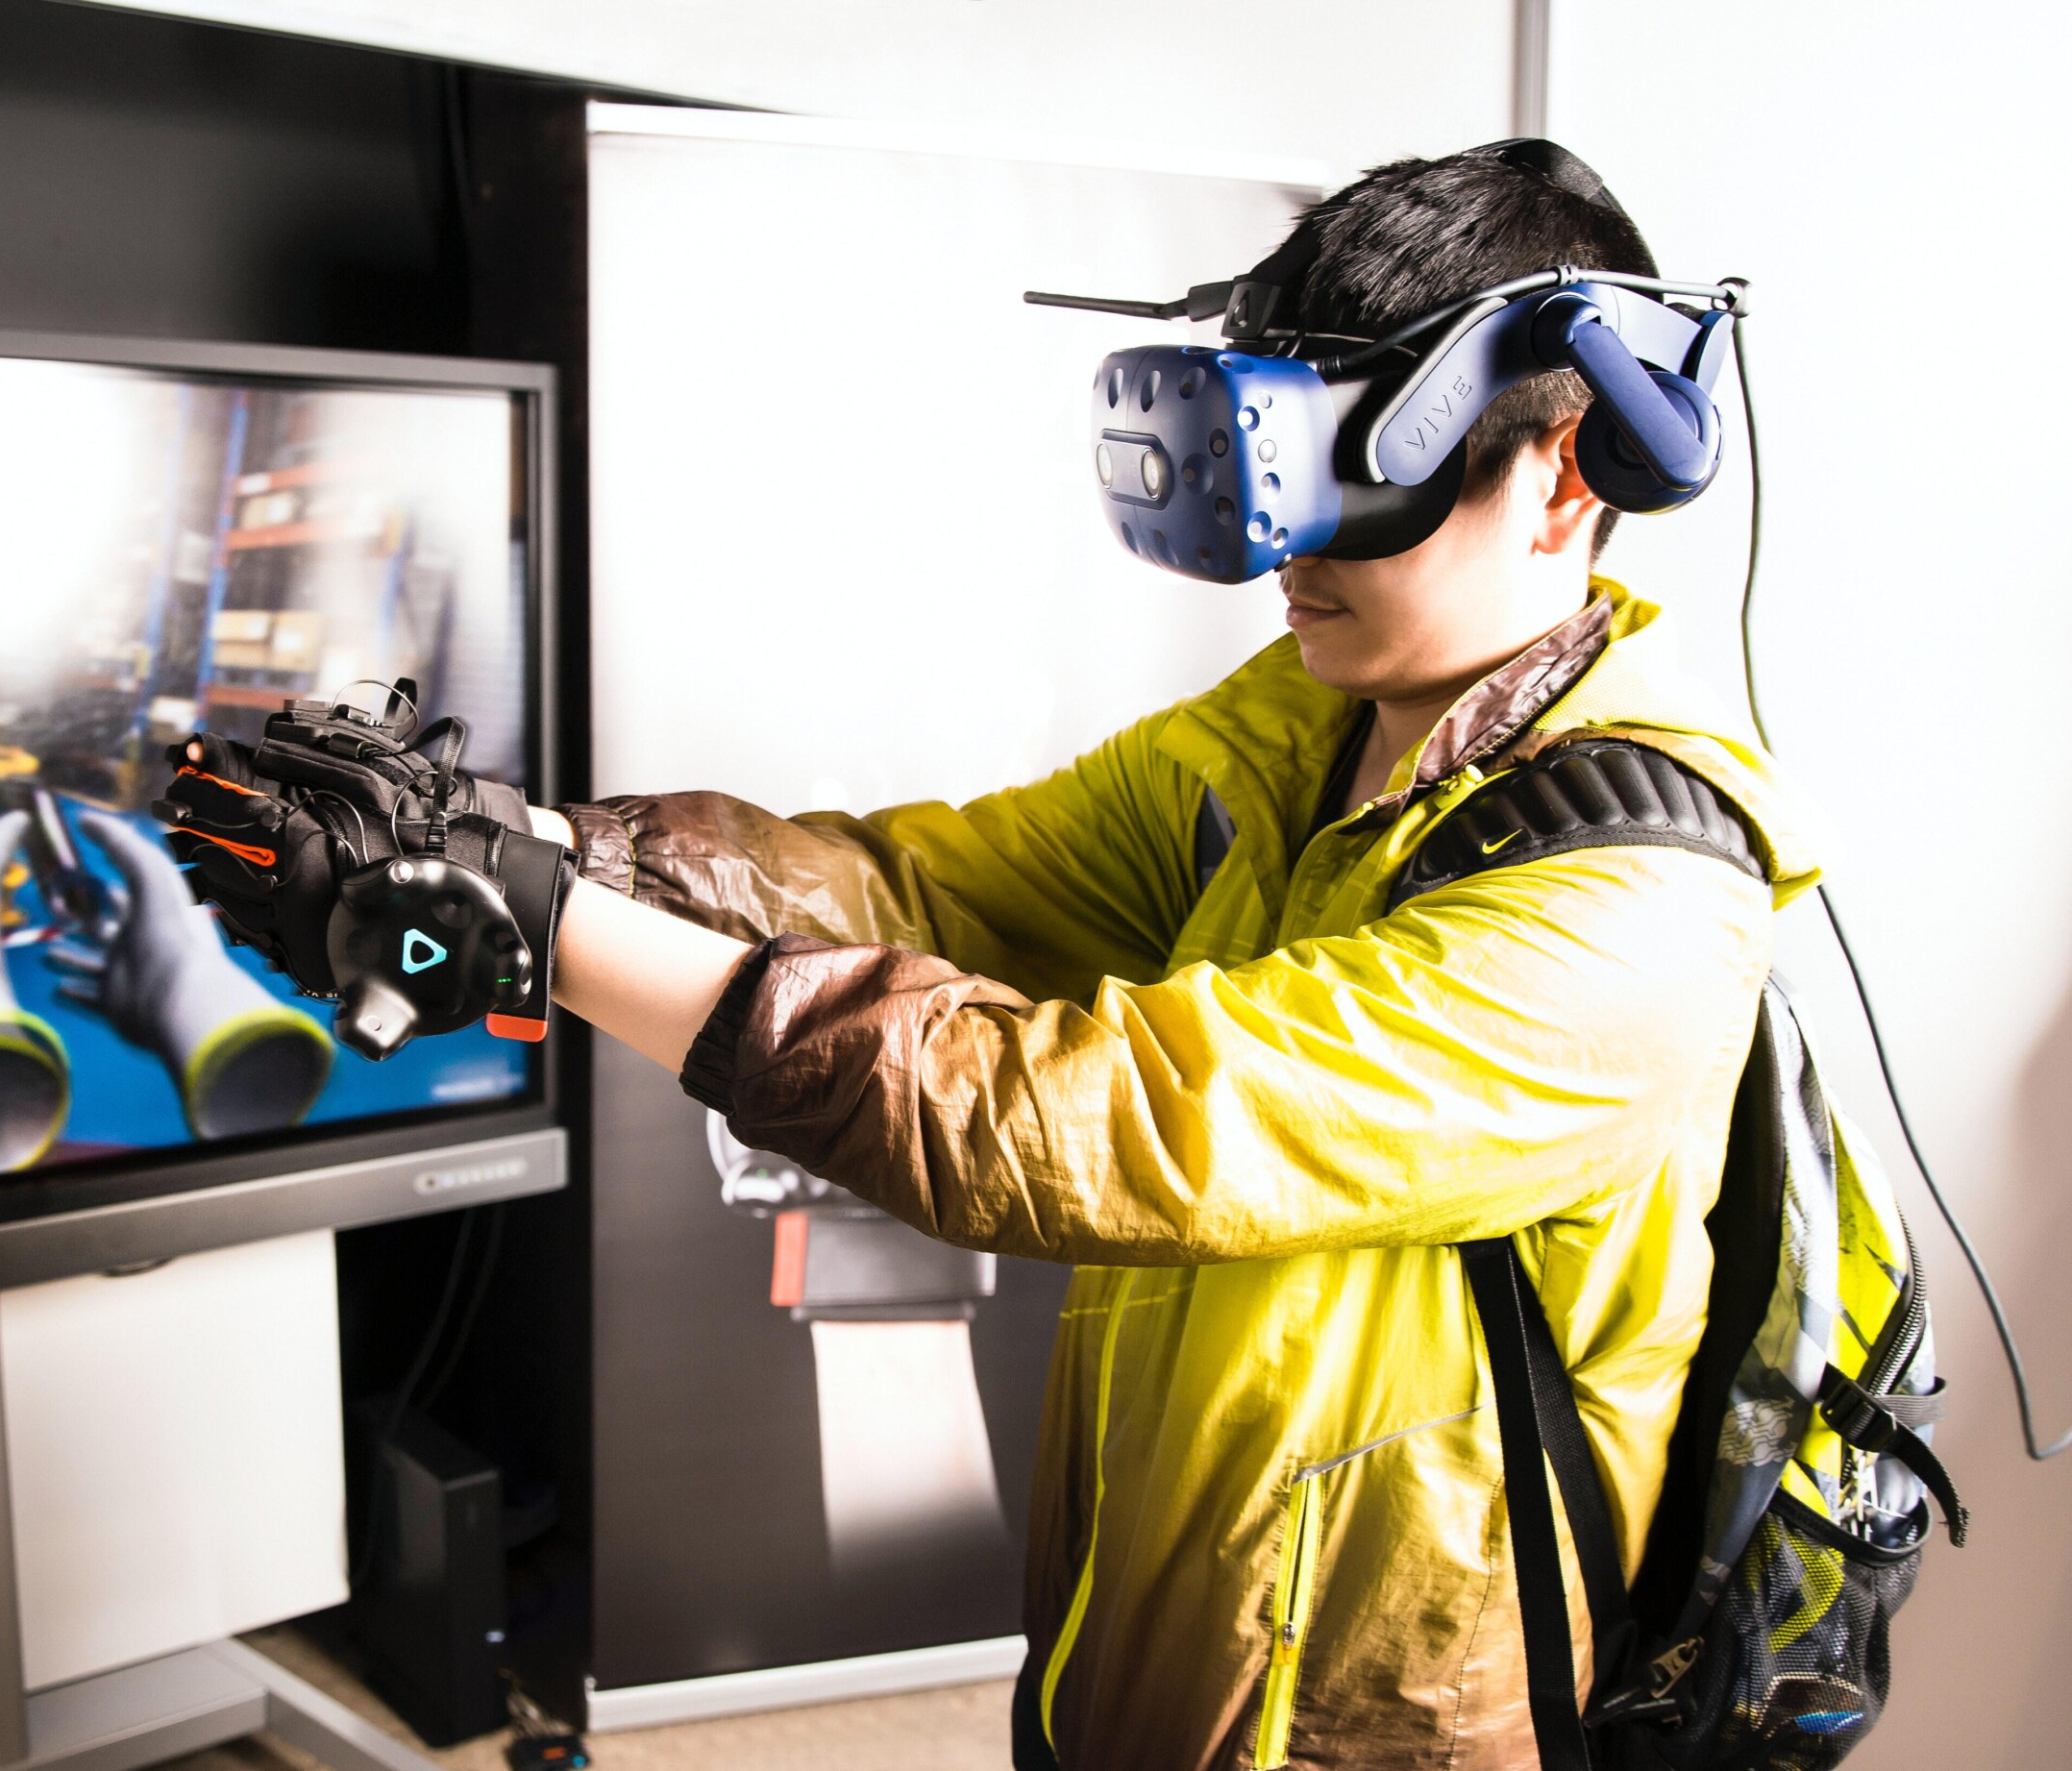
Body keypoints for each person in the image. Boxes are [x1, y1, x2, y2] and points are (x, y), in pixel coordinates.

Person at [535, 143, 1813, 1769]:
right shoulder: (1299, 728)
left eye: (1349, 476)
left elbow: (1110, 1117)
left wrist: (556, 940)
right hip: (1132, 1661)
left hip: (1379, 1731)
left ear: (1568, 478)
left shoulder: (1636, 910)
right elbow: (930, 890)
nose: (1286, 543)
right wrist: (538, 848)